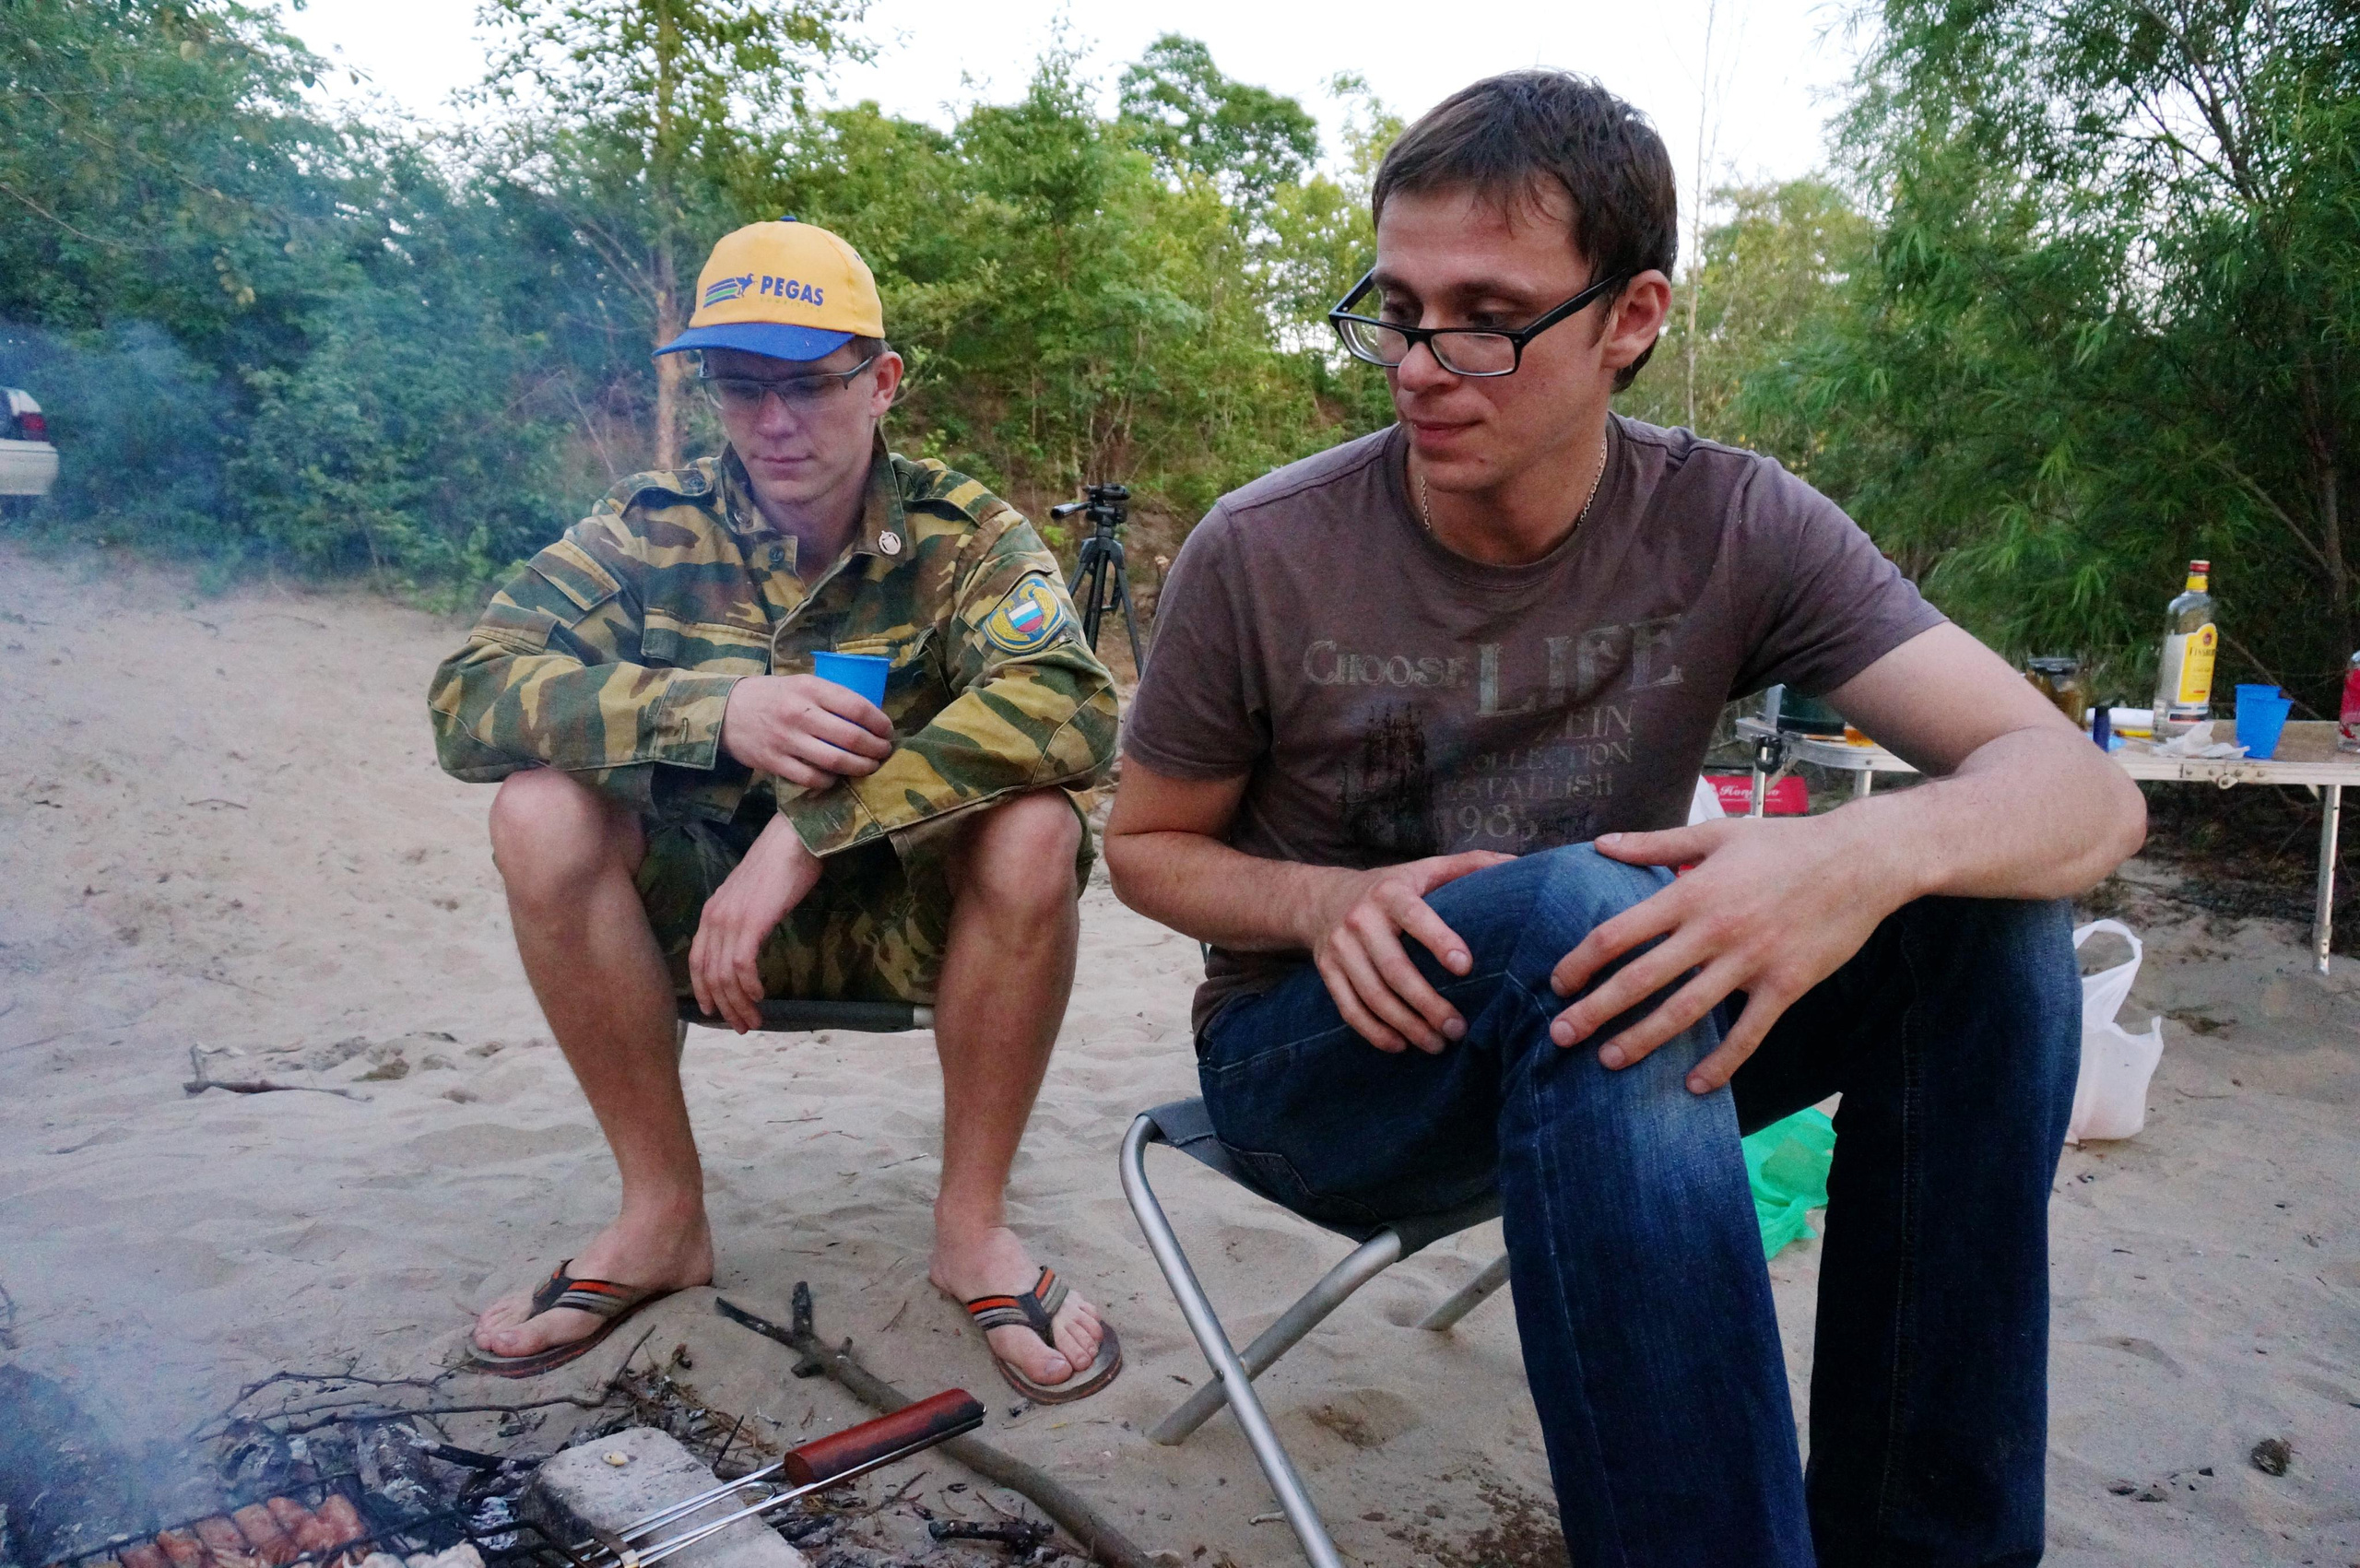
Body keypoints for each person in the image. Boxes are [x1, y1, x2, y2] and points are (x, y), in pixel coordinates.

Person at [1104, 71, 2145, 1566]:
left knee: (1987, 918)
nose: (1418, 365)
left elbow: (2081, 792)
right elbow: (1142, 849)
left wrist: (1855, 854)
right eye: (1394, 308)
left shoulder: (1735, 523)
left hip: (1615, 1044)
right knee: (1599, 905)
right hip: (1324, 1067)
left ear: (1631, 319)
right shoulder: (1267, 551)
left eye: (1484, 314)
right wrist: (1323, 904)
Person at [428, 218, 1124, 1403]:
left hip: (916, 923)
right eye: (740, 387)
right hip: (689, 924)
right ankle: (658, 1219)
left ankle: (972, 1230)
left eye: (809, 384)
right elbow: (470, 694)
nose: (774, 423)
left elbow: (1070, 701)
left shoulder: (966, 537)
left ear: (883, 381)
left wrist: (810, 832)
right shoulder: (648, 528)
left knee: (1038, 827)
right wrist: (712, 710)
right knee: (537, 812)